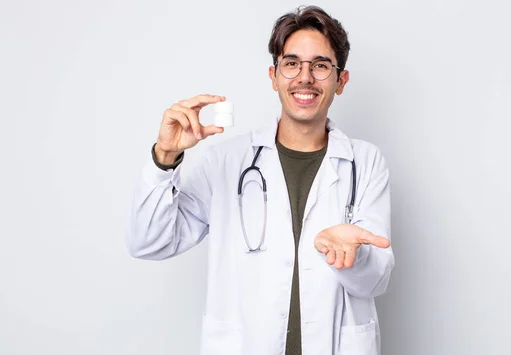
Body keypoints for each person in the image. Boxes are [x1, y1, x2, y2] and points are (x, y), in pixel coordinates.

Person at [127, 5, 394, 355]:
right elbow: (149, 242)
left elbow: (375, 279)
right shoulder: (225, 162)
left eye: (321, 65)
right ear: (274, 75)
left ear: (340, 81)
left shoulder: (365, 162)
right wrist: (164, 158)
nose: (305, 77)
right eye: (292, 63)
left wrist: (352, 255)